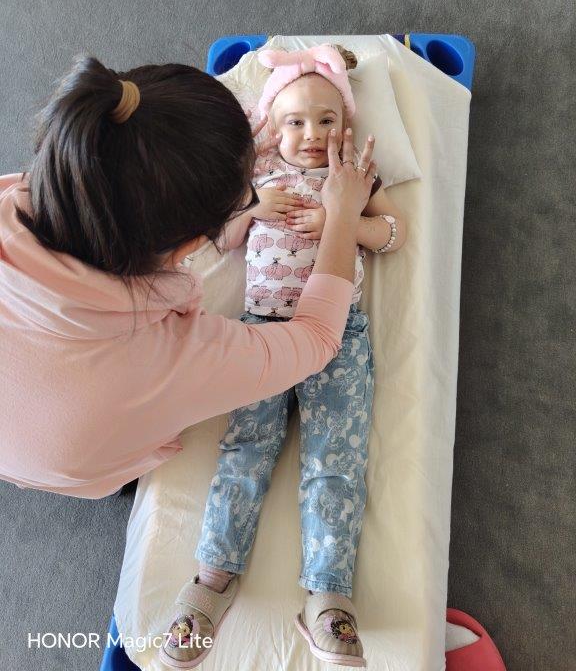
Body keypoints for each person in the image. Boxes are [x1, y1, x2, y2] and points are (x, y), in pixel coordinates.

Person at [0, 52, 378, 502]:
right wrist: (342, 217)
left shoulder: (32, 186)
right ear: (193, 247)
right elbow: (316, 338)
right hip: (75, 463)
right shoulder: (174, 357)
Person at [159, 45, 407, 669]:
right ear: (272, 127)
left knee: (335, 460)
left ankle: (328, 595)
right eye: (295, 121)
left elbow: (392, 233)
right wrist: (251, 210)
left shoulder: (352, 177)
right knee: (246, 449)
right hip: (263, 334)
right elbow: (222, 240)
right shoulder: (257, 177)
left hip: (340, 337)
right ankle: (212, 580)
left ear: (345, 126)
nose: (313, 134)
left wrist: (341, 220)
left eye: (327, 120)